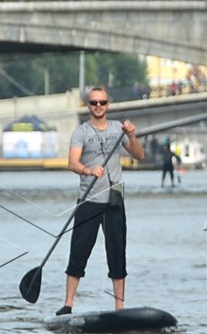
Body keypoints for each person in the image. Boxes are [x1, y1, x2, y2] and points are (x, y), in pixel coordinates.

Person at [61, 86, 145, 315]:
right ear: (88, 105)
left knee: (117, 253)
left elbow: (139, 155)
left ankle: (119, 307)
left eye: (103, 102)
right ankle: (68, 305)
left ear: (108, 104)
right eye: (94, 103)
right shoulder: (81, 132)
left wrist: (131, 135)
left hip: (114, 201)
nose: (98, 106)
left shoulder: (119, 129)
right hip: (89, 199)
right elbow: (72, 163)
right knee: (79, 252)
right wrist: (88, 170)